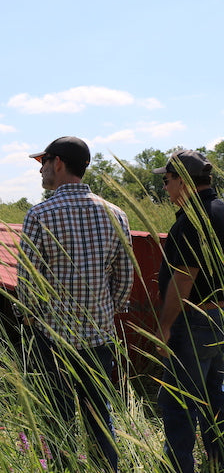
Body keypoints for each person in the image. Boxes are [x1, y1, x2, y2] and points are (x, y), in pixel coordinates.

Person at [16, 136, 133, 472]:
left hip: (52, 339)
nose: (41, 170)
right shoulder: (117, 214)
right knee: (100, 417)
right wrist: (106, 314)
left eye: (44, 162)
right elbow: (124, 277)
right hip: (98, 339)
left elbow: (28, 281)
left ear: (59, 163)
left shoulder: (39, 214)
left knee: (58, 419)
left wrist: (30, 319)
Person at [152, 149, 224, 473]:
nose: (165, 189)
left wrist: (164, 326)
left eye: (167, 181)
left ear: (182, 181)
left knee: (179, 404)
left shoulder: (191, 221)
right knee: (217, 402)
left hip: (193, 322)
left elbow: (183, 280)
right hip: (221, 321)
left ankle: (179, 468)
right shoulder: (222, 210)